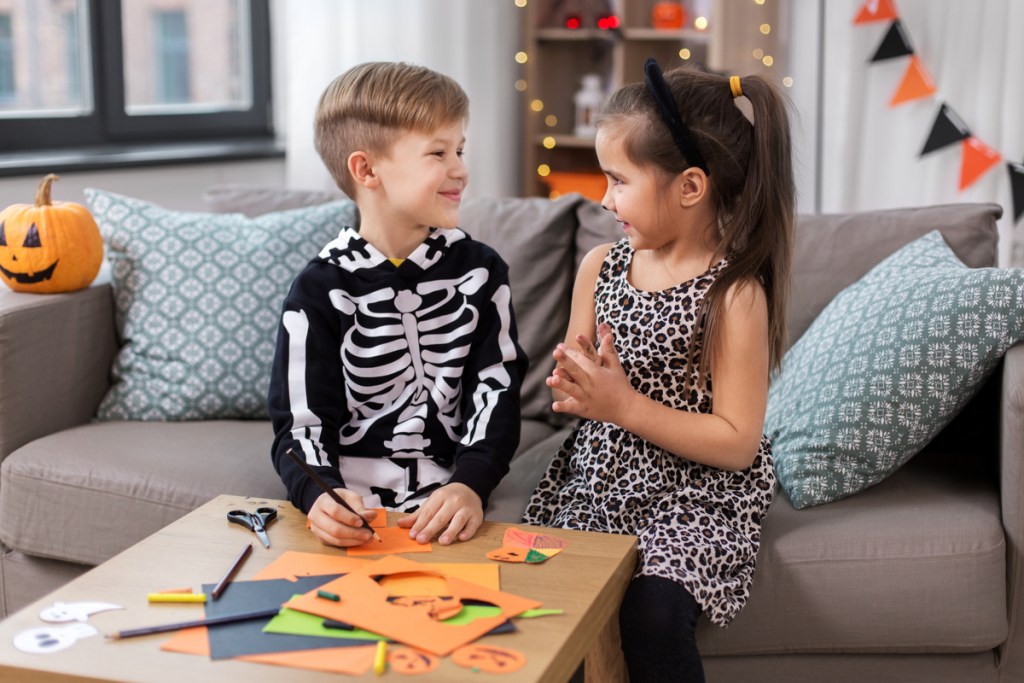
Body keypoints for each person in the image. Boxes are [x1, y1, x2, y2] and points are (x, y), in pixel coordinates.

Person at [523, 59, 793, 682]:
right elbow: (575, 375)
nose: (604, 198)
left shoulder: (733, 294)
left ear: (690, 187)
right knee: (551, 612)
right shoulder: (600, 266)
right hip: (600, 480)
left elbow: (736, 442)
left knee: (651, 617)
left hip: (695, 496)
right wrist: (576, 386)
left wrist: (624, 406)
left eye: (618, 181)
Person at [269, 62, 527, 549]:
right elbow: (300, 422)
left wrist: (471, 483)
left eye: (460, 150)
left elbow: (497, 391)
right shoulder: (317, 289)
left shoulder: (480, 271)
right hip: (352, 505)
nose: (461, 169)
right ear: (367, 170)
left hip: (451, 501)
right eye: (438, 152)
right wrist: (319, 495)